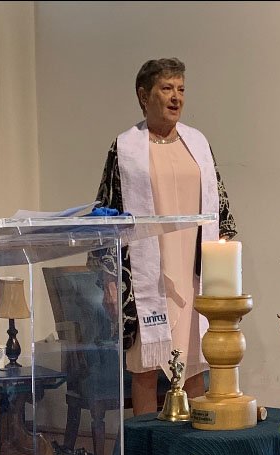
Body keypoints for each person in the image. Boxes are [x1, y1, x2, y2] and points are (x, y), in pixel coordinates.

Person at [93, 57, 237, 414]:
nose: (176, 97)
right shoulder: (126, 149)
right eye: (167, 89)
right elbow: (105, 215)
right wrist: (109, 278)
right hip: (147, 276)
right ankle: (147, 452)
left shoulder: (198, 144)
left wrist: (228, 256)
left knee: (195, 366)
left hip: (193, 270)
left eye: (181, 89)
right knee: (145, 369)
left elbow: (219, 206)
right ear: (144, 96)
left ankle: (197, 452)